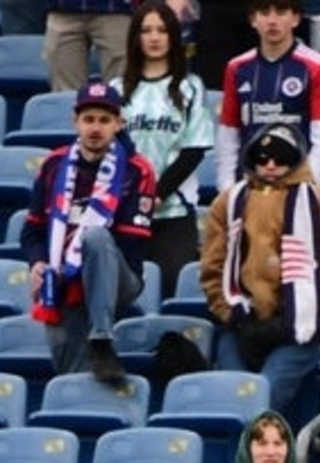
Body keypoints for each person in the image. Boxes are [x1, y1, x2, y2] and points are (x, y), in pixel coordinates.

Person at [199, 123, 320, 427]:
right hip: (240, 323)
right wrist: (232, 315)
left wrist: (312, 318)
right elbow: (212, 268)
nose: (270, 165)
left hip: (300, 328)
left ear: (296, 160)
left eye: (280, 158)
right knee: (231, 404)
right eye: (262, 158)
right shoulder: (228, 202)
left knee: (259, 406)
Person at [21, 79, 159, 385]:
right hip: (62, 277)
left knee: (95, 237)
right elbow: (32, 230)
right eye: (89, 119)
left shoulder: (137, 169)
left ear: (119, 123)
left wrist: (77, 256)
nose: (95, 128)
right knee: (72, 371)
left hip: (119, 275)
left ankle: (101, 336)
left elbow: (132, 241)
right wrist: (37, 263)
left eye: (104, 120)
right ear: (76, 121)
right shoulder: (53, 164)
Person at [120, 0, 211, 297]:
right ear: (136, 37)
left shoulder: (191, 87)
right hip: (125, 213)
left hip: (174, 212)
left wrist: (156, 194)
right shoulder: (116, 89)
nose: (155, 37)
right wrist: (136, 195)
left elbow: (193, 150)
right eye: (146, 30)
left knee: (172, 296)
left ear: (174, 36)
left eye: (162, 30)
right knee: (127, 299)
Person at [212, 0, 320, 188]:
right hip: (250, 185)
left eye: (280, 12)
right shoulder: (236, 68)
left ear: (295, 18)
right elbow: (228, 136)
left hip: (298, 184)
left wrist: (308, 188)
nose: (272, 20)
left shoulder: (319, 67)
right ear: (253, 20)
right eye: (264, 12)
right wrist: (227, 190)